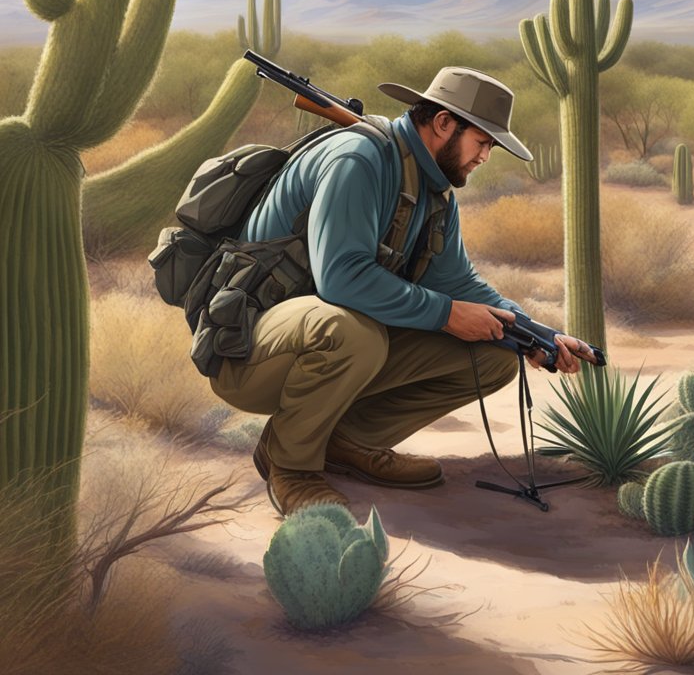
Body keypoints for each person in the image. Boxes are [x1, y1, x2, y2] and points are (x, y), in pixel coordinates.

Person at [209, 66, 596, 515]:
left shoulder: (432, 189)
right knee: (352, 332)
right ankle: (290, 464)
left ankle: (343, 442)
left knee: (491, 356)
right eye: (483, 141)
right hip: (248, 348)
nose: (486, 156)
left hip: (318, 339)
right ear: (444, 123)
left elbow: (457, 283)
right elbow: (342, 277)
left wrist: (537, 335)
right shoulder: (359, 159)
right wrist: (449, 315)